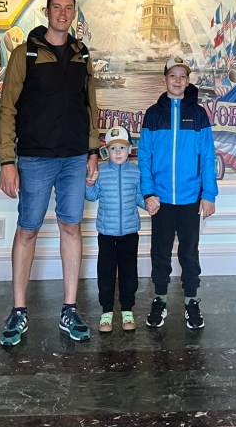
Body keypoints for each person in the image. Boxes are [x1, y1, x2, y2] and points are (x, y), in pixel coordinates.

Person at [0, 0, 100, 346]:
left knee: (71, 227)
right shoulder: (25, 53)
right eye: (57, 7)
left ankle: (70, 308)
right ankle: (18, 311)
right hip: (35, 158)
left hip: (74, 158)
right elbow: (7, 108)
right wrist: (7, 161)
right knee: (28, 230)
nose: (62, 13)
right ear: (47, 11)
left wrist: (92, 150)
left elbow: (91, 106)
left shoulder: (81, 53)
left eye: (68, 8)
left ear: (73, 13)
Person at [137, 56, 217, 331]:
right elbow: (144, 156)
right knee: (160, 252)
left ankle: (191, 300)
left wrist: (209, 194)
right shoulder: (153, 114)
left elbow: (208, 156)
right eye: (173, 75)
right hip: (160, 198)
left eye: (183, 76)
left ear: (188, 80)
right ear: (165, 79)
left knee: (189, 253)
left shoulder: (199, 114)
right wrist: (147, 192)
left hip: (190, 197)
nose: (178, 80)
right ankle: (159, 299)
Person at [85, 124, 145, 333]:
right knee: (106, 274)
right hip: (106, 234)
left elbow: (139, 197)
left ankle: (127, 310)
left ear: (129, 149)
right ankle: (107, 312)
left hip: (130, 233)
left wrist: (151, 203)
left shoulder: (136, 172)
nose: (118, 152)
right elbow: (91, 196)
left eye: (122, 148)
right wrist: (89, 183)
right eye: (113, 148)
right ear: (106, 151)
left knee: (129, 274)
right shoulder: (101, 172)